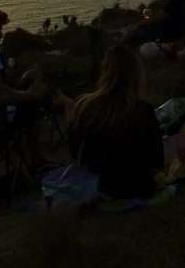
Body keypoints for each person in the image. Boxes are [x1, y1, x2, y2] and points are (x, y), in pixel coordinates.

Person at [65, 46, 163, 199]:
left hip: (101, 186)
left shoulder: (85, 107)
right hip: (140, 186)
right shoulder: (143, 110)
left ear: (105, 72)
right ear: (135, 74)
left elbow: (75, 152)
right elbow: (156, 159)